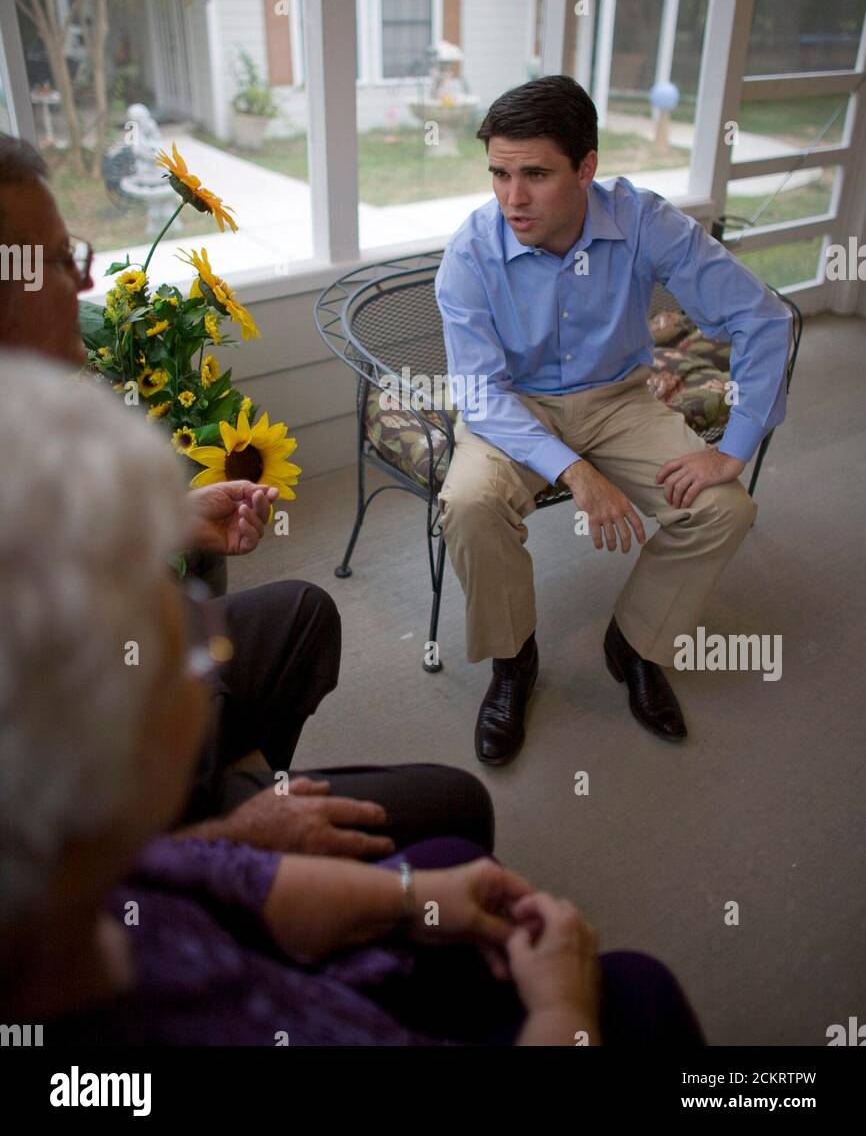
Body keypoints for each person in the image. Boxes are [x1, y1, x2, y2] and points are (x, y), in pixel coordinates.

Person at [0, 351, 705, 1047]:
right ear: (127, 759)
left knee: (454, 834)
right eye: (176, 627)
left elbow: (156, 882)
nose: (206, 631)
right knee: (642, 994)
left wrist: (405, 899)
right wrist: (562, 1011)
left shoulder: (83, 896)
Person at [0, 132, 493, 853]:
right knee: (458, 814)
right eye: (59, 259)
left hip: (139, 704)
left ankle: (252, 783)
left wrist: (171, 524)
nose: (84, 282)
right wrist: (230, 845)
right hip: (116, 817)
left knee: (303, 611)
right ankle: (246, 824)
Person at [435, 76, 792, 765]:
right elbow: (479, 394)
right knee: (469, 502)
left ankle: (635, 644)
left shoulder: (643, 221)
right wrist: (576, 473)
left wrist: (736, 448)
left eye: (535, 174)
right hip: (512, 405)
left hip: (618, 398)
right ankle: (513, 661)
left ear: (587, 167)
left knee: (725, 509)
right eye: (500, 174)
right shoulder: (471, 251)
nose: (512, 197)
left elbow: (762, 317)